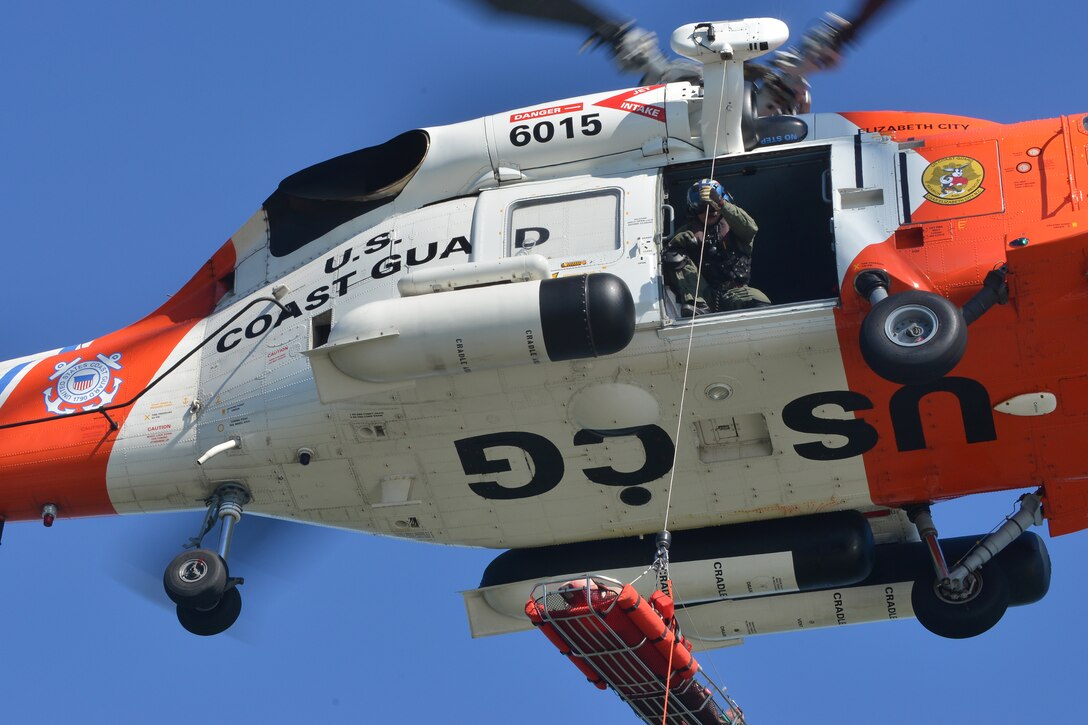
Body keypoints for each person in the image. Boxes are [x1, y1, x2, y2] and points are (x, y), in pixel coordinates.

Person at [663, 179, 771, 317]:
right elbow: (669, 255)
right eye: (703, 208)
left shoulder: (735, 229)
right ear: (694, 210)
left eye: (714, 207)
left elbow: (750, 228)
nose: (710, 212)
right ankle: (697, 304)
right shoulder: (686, 233)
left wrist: (720, 203)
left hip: (735, 292)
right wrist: (683, 242)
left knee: (760, 304)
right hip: (704, 296)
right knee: (674, 257)